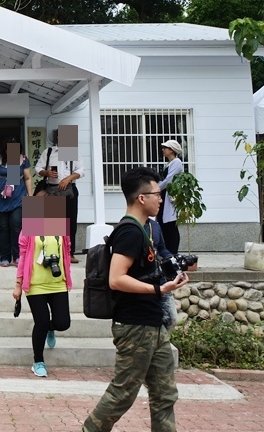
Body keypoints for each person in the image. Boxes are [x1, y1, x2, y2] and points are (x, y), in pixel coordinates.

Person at [82, 167, 190, 432]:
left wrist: (169, 278)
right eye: (157, 194)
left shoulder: (149, 228)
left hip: (153, 322)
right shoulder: (129, 232)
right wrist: (159, 290)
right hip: (135, 326)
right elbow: (116, 279)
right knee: (123, 393)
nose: (161, 199)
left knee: (165, 393)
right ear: (142, 198)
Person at [13, 232, 72, 377]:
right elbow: (23, 257)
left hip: (58, 283)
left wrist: (67, 277)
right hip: (35, 284)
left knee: (63, 323)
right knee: (41, 322)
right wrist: (18, 284)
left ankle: (50, 329)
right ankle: (38, 361)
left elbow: (67, 252)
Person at [34, 129, 85, 263]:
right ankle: (53, 252)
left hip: (69, 191)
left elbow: (81, 170)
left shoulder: (73, 152)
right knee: (53, 224)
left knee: (70, 223)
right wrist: (47, 173)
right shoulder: (49, 152)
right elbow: (38, 168)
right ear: (57, 137)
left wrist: (68, 179)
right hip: (52, 190)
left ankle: (69, 253)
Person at [0, 137, 33, 266]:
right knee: (3, 227)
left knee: (16, 225)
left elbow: (27, 177)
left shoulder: (22, 159)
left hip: (18, 197)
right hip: (0, 197)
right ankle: (4, 257)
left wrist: (30, 195)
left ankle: (18, 256)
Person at [157, 139, 184, 255]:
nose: (163, 150)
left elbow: (169, 180)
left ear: (172, 150)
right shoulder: (169, 164)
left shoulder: (177, 162)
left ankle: (173, 252)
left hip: (169, 197)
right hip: (164, 196)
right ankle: (167, 251)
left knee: (170, 225)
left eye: (165, 148)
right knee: (164, 224)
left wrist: (156, 188)